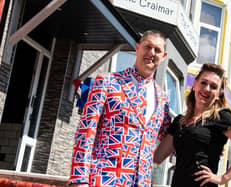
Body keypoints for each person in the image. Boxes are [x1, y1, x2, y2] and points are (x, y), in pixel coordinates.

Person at [68, 30, 171, 187]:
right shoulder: (107, 82)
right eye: (147, 46)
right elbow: (86, 131)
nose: (151, 53)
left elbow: (172, 137)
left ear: (163, 56)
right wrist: (79, 179)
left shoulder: (162, 99)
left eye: (157, 50)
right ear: (137, 48)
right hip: (103, 180)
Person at [154, 63, 231, 187]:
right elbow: (157, 157)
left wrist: (223, 178)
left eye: (213, 86)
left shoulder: (221, 117)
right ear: (194, 84)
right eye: (203, 83)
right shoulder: (179, 122)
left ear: (219, 93)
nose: (207, 89)